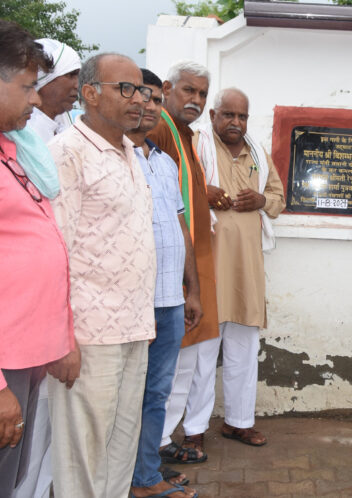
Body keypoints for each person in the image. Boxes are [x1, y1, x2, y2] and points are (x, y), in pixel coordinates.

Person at [48, 53, 157, 498]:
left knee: (120, 448)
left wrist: (144, 321)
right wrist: (62, 337)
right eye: (125, 89)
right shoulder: (67, 152)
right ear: (90, 94)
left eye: (143, 90)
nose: (139, 100)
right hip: (88, 335)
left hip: (134, 327)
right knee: (82, 456)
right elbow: (55, 251)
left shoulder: (132, 151)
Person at [0, 20, 77, 498]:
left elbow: (45, 246)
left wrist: (61, 338)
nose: (36, 99)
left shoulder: (18, 148)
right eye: (28, 87)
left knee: (10, 477)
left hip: (24, 356)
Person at [195, 88, 285, 446]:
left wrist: (261, 200)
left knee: (244, 348)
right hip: (208, 264)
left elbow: (278, 200)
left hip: (247, 267)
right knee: (202, 351)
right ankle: (194, 430)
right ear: (213, 115)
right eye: (228, 115)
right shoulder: (198, 146)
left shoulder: (258, 153)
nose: (236, 122)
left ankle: (238, 421)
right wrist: (203, 190)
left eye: (242, 116)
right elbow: (180, 186)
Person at [128, 69, 202, 498]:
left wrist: (190, 291)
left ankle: (145, 476)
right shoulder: (114, 157)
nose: (150, 107)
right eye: (143, 97)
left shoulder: (164, 161)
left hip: (169, 301)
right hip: (129, 303)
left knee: (155, 396)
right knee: (123, 397)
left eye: (157, 99)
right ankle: (124, 476)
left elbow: (180, 231)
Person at [147, 61, 220, 463]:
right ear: (169, 88)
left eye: (202, 94)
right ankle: (154, 446)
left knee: (184, 362)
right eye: (189, 91)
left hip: (192, 270)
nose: (195, 100)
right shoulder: (160, 130)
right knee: (170, 367)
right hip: (174, 277)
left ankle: (159, 443)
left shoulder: (184, 136)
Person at [26, 39, 80, 142]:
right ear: (44, 79)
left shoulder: (63, 126)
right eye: (71, 75)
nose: (77, 85)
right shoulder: (23, 134)